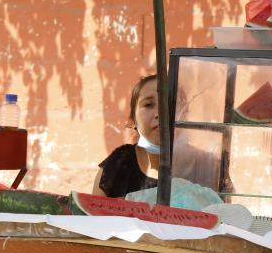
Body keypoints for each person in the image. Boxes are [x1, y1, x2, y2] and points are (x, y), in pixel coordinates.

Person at [91, 74, 228, 198]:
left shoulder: (208, 166)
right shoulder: (118, 165)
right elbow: (95, 220)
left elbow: (226, 216)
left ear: (185, 113)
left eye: (169, 103)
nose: (159, 113)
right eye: (148, 104)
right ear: (134, 118)